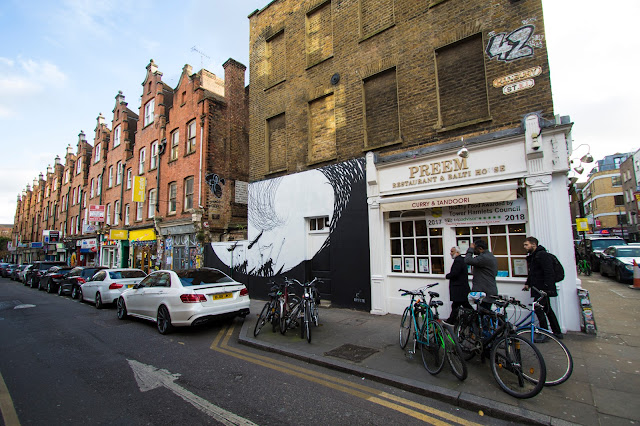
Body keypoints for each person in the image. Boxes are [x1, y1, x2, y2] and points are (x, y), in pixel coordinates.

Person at [522, 236, 562, 338]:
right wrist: (528, 283)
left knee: (540, 309)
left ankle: (544, 332)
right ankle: (556, 332)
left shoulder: (542, 255)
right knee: (547, 310)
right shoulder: (534, 256)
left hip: (542, 289)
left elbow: (549, 272)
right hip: (538, 288)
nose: (525, 247)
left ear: (533, 245)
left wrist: (547, 289)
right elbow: (533, 273)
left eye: (526, 245)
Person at [464, 239, 498, 311]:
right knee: (485, 313)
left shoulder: (484, 257)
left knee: (483, 313)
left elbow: (467, 260)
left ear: (480, 248)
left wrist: (470, 250)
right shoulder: (489, 256)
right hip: (488, 290)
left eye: (475, 249)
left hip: (485, 292)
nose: (474, 251)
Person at [444, 246, 471, 324]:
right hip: (461, 288)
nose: (450, 253)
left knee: (458, 305)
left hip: (459, 288)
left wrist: (447, 276)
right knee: (460, 305)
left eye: (452, 251)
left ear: (457, 253)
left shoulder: (458, 261)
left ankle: (452, 321)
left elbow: (455, 273)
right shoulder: (460, 260)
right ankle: (453, 320)